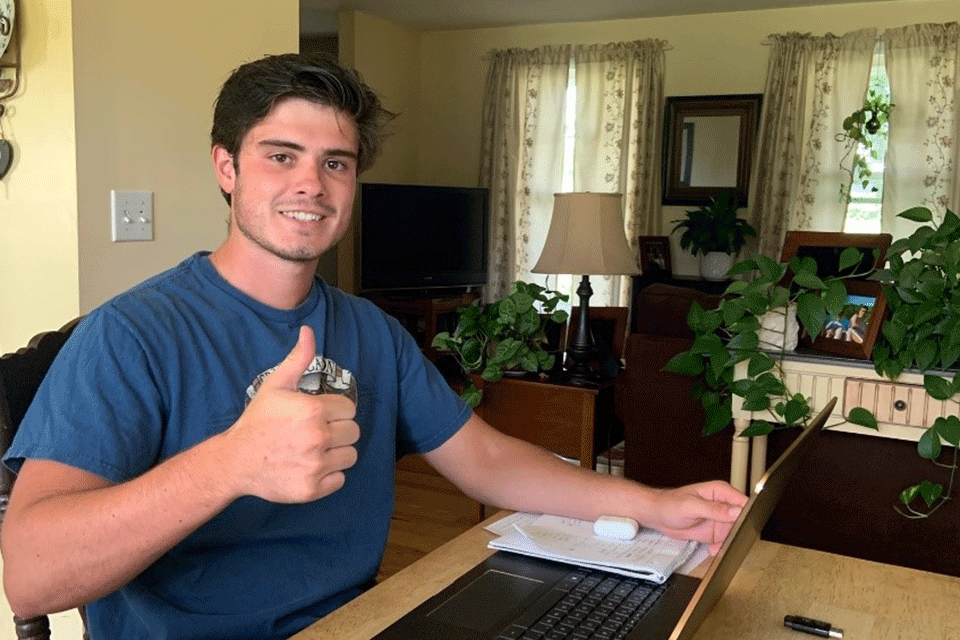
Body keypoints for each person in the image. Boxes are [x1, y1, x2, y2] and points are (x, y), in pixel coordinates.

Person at [1, 53, 747, 640]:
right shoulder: (131, 335)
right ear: (226, 167)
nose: (312, 185)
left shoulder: (370, 332)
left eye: (336, 162)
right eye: (281, 155)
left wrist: (653, 505)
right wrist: (230, 462)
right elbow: (32, 576)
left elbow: (485, 460)